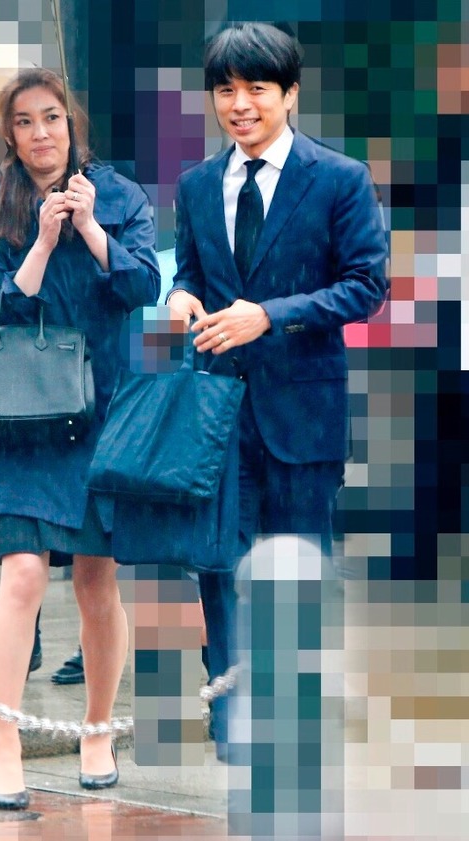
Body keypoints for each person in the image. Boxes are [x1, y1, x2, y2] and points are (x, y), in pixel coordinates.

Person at [167, 21, 388, 773]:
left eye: (257, 88)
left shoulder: (339, 179)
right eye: (226, 89)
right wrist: (181, 296)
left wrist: (271, 314)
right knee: (221, 566)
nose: (240, 104)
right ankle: (232, 713)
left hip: (303, 413)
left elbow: (366, 285)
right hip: (216, 414)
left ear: (290, 94)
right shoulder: (197, 186)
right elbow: (190, 272)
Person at [0, 67, 160, 810]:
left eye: (51, 117)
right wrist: (44, 241)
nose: (40, 133)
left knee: (94, 578)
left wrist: (89, 229)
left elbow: (141, 286)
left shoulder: (118, 195)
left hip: (102, 409)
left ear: (71, 123)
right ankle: (6, 740)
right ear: (9, 135)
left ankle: (98, 730)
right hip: (21, 415)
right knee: (21, 572)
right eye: (24, 122)